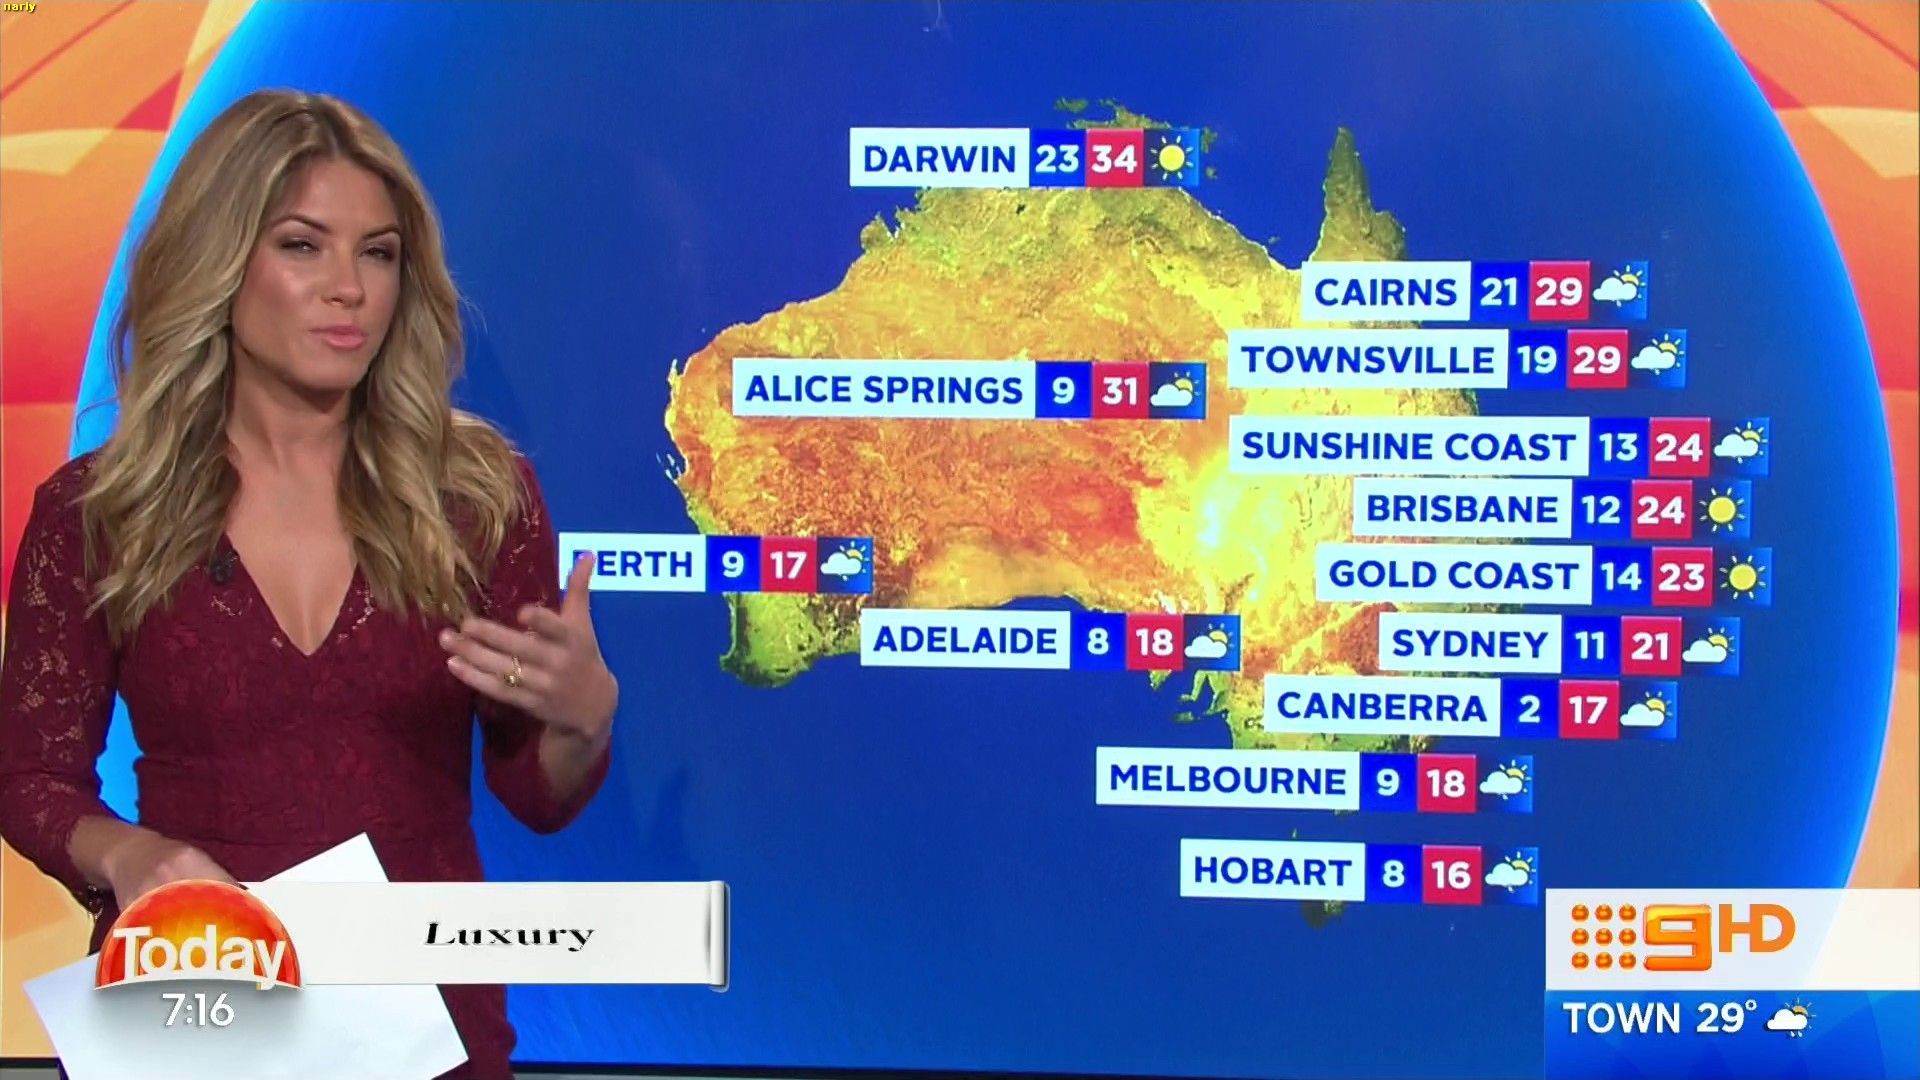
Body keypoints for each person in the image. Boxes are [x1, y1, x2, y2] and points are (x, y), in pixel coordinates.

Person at [0, 89, 618, 1079]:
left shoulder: (474, 498)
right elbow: (29, 776)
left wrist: (582, 721)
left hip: (423, 1028)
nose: (349, 289)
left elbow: (535, 796)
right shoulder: (103, 510)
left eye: (378, 254)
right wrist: (128, 856)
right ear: (220, 259)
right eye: (303, 246)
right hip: (193, 1007)